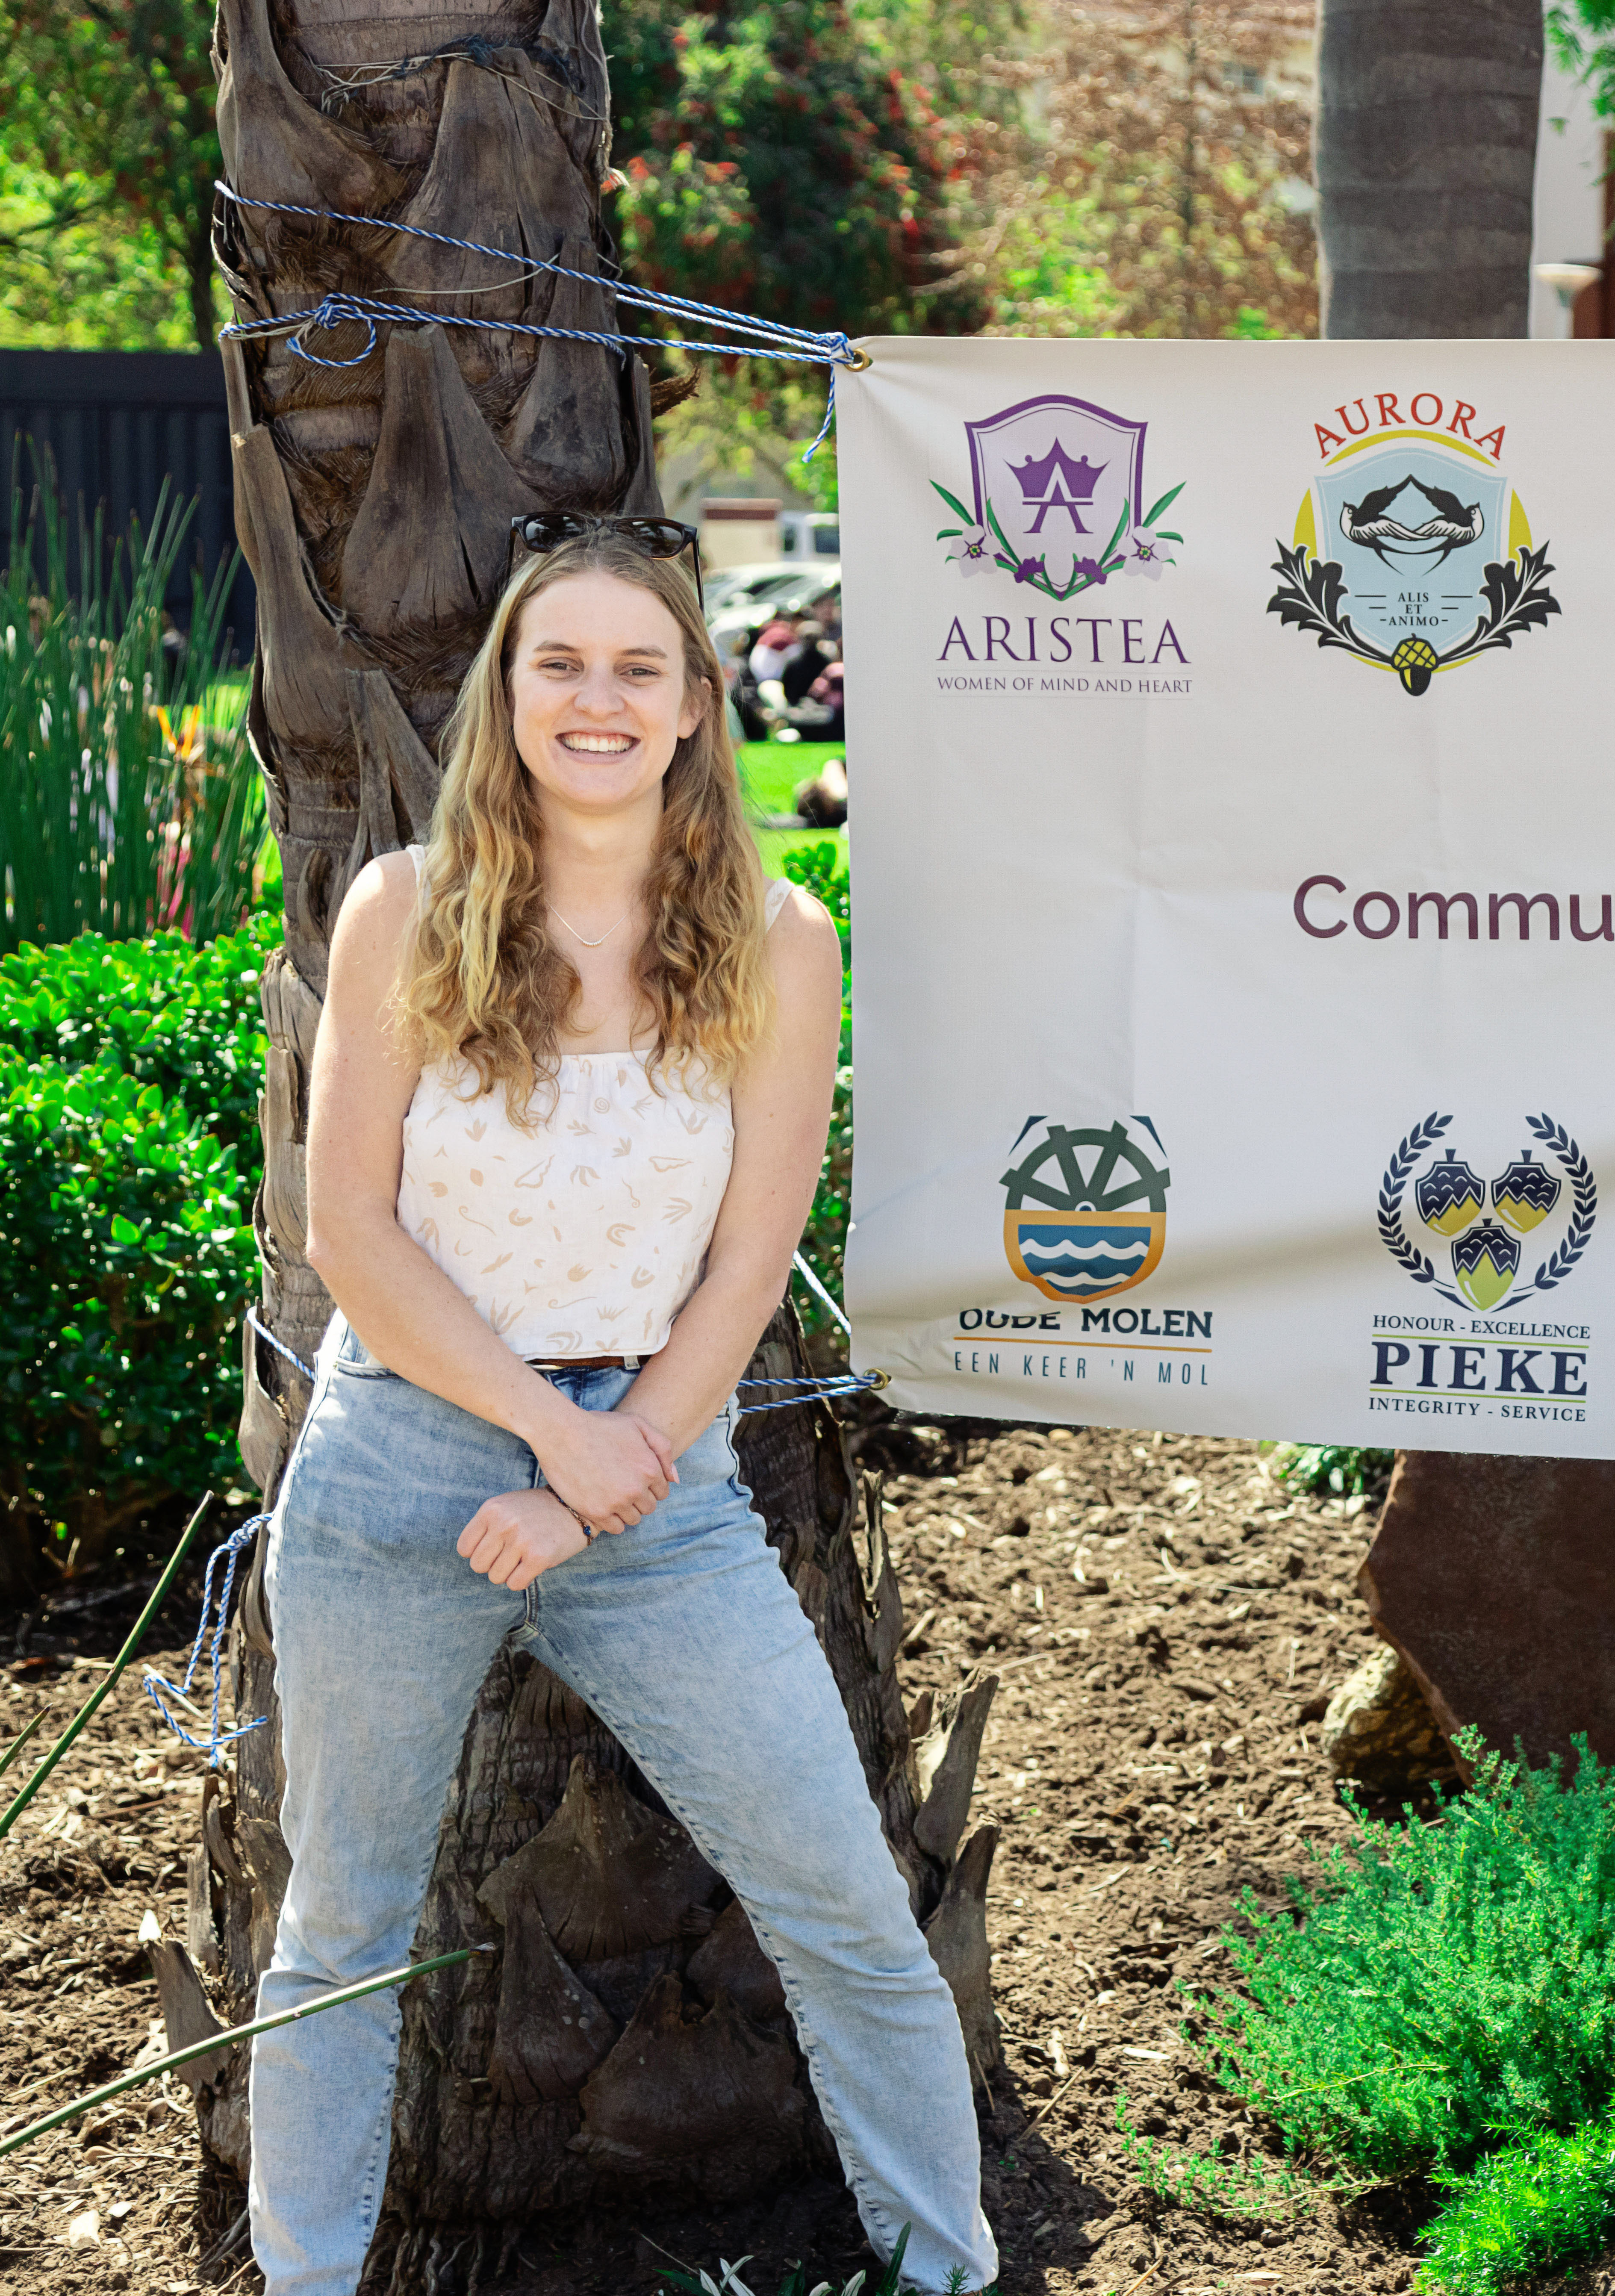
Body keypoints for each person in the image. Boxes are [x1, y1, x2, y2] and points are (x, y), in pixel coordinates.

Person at [250, 518, 996, 2294]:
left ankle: (943, 2268)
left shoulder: (776, 938)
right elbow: (346, 1224)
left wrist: (602, 1471)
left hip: (659, 1480)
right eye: (558, 663)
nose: (596, 697)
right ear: (508, 694)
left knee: (845, 1907)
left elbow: (749, 1261)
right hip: (404, 1459)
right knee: (338, 1928)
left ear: (692, 706)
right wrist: (542, 1431)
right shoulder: (406, 909)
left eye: (635, 667)